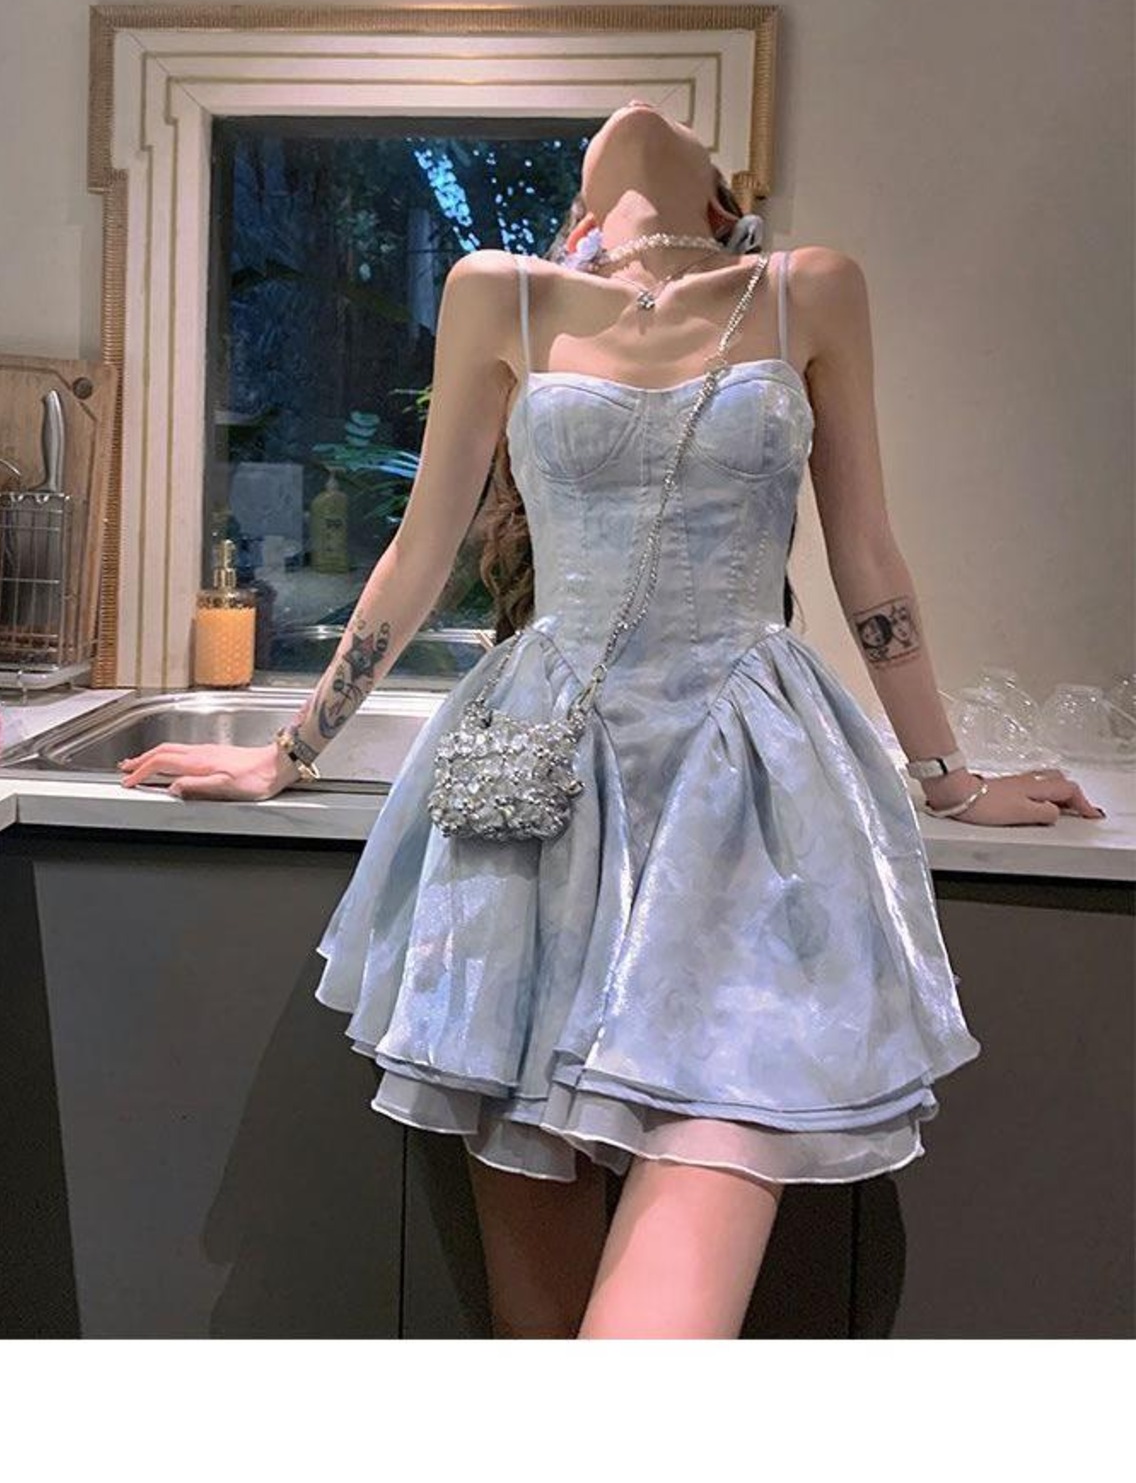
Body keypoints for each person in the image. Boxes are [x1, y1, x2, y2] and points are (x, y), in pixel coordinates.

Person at [117, 103, 1100, 1342]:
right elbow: (417, 553)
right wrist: (288, 750)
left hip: (746, 789)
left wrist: (946, 777)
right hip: (537, 788)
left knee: (679, 1248)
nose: (639, 116)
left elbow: (865, 553)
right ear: (576, 218)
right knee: (538, 1320)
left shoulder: (805, 287)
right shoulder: (500, 292)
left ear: (726, 206)